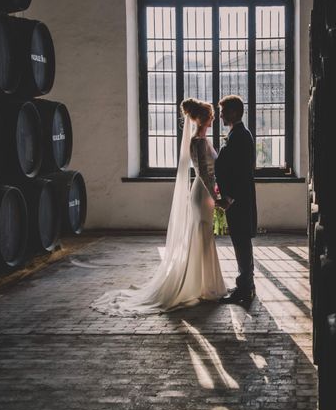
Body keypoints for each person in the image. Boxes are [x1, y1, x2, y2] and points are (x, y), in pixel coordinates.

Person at [89, 98, 227, 315]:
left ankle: (205, 284)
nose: (212, 119)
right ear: (201, 119)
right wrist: (215, 196)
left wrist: (216, 191)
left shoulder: (204, 140)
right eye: (210, 116)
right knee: (202, 236)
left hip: (206, 192)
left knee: (204, 236)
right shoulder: (198, 142)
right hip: (202, 193)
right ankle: (203, 286)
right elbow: (202, 172)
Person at [215, 95, 258, 306]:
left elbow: (241, 172)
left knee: (241, 243)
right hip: (238, 200)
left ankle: (245, 289)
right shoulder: (238, 134)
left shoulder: (240, 136)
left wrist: (229, 198)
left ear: (233, 112)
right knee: (241, 243)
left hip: (238, 201)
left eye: (222, 111)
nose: (220, 115)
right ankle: (246, 285)